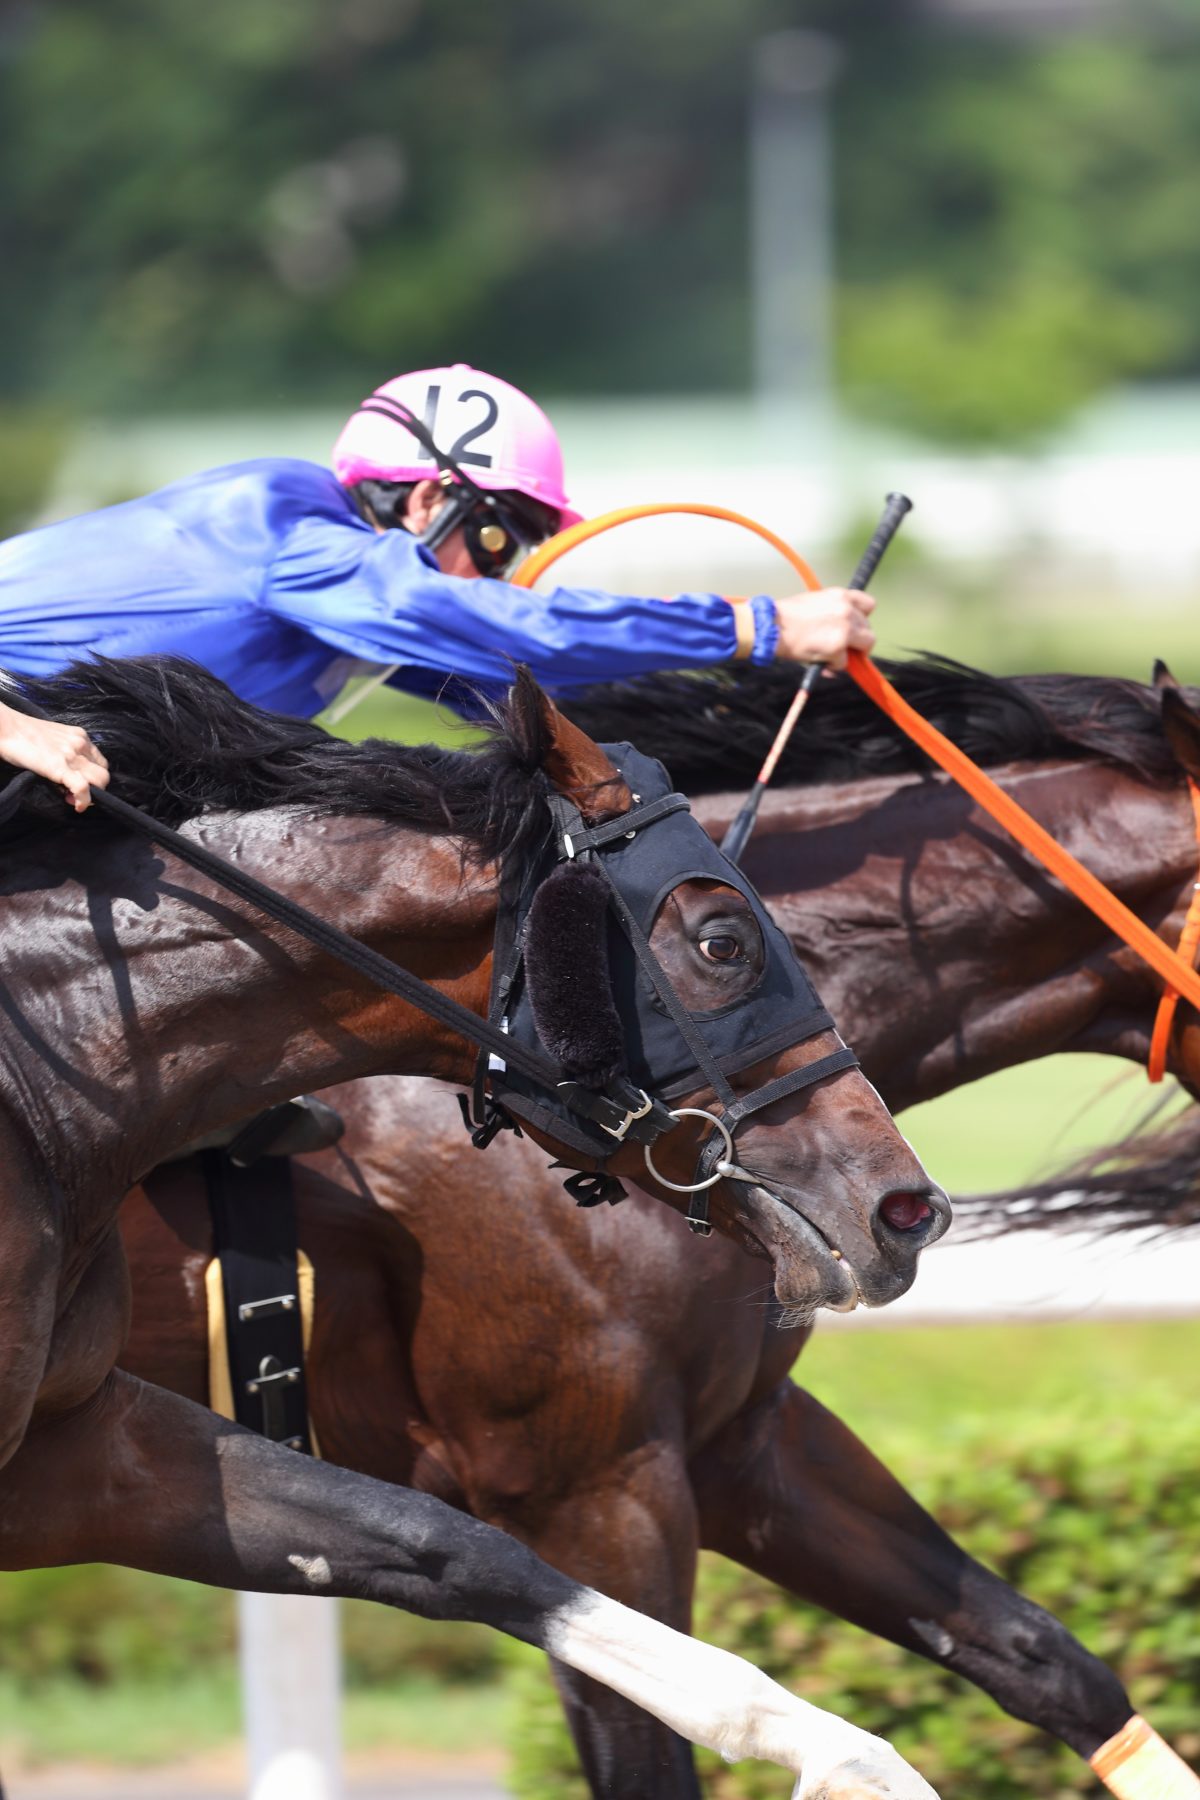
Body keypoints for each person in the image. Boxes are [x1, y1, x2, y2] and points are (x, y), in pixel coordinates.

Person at [0, 363, 875, 809]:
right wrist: (756, 627)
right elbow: (519, 630)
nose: (499, 573)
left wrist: (752, 718)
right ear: (426, 497)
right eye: (496, 539)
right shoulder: (287, 526)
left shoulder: (343, 611)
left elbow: (530, 688)